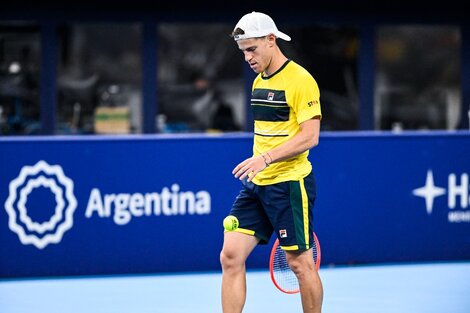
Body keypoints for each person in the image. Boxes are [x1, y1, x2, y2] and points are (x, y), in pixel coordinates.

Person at [219, 11, 323, 313]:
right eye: (243, 51)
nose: (248, 57)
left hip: (290, 184)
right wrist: (259, 164)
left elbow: (310, 137)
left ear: (270, 40)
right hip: (257, 185)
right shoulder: (257, 82)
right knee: (230, 256)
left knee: (300, 264)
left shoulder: (301, 80)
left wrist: (264, 158)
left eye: (252, 49)